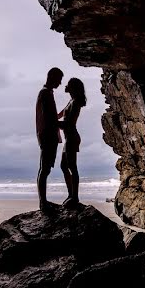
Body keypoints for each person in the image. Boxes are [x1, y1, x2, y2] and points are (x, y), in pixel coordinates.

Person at [36, 67, 63, 210]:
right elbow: (49, 119)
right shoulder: (45, 93)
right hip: (48, 136)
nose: (59, 84)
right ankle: (43, 202)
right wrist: (66, 124)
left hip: (46, 135)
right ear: (52, 78)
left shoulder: (46, 93)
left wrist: (63, 114)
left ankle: (43, 201)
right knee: (44, 169)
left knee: (44, 169)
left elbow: (51, 116)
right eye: (58, 80)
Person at [58, 77, 86, 207]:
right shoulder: (71, 101)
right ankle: (71, 194)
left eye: (68, 84)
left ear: (73, 87)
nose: (66, 86)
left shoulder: (75, 103)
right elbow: (60, 114)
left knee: (72, 167)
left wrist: (53, 123)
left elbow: (68, 124)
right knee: (64, 166)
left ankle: (75, 197)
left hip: (72, 137)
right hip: (69, 138)